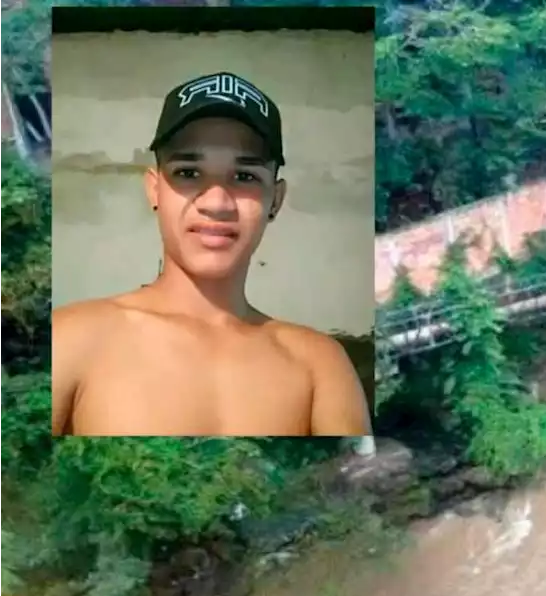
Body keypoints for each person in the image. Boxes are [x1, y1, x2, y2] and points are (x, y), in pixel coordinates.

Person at [52, 72, 371, 437]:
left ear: (276, 199)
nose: (217, 203)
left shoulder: (319, 364)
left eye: (245, 177)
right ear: (154, 189)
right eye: (188, 172)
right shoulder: (72, 338)